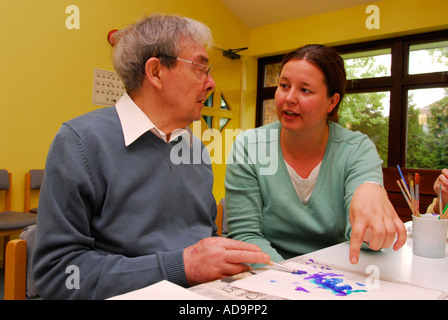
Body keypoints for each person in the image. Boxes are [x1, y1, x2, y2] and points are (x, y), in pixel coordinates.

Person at [32, 14, 270, 300]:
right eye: (201, 68)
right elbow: (59, 274)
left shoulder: (195, 150)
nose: (210, 83)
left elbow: (202, 241)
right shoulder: (79, 142)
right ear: (156, 72)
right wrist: (181, 266)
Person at [225, 44, 407, 267]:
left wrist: (371, 197)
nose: (289, 98)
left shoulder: (356, 149)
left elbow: (366, 243)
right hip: (270, 274)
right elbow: (245, 235)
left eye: (305, 90)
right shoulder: (249, 146)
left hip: (337, 275)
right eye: (284, 85)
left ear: (332, 102)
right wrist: (292, 280)